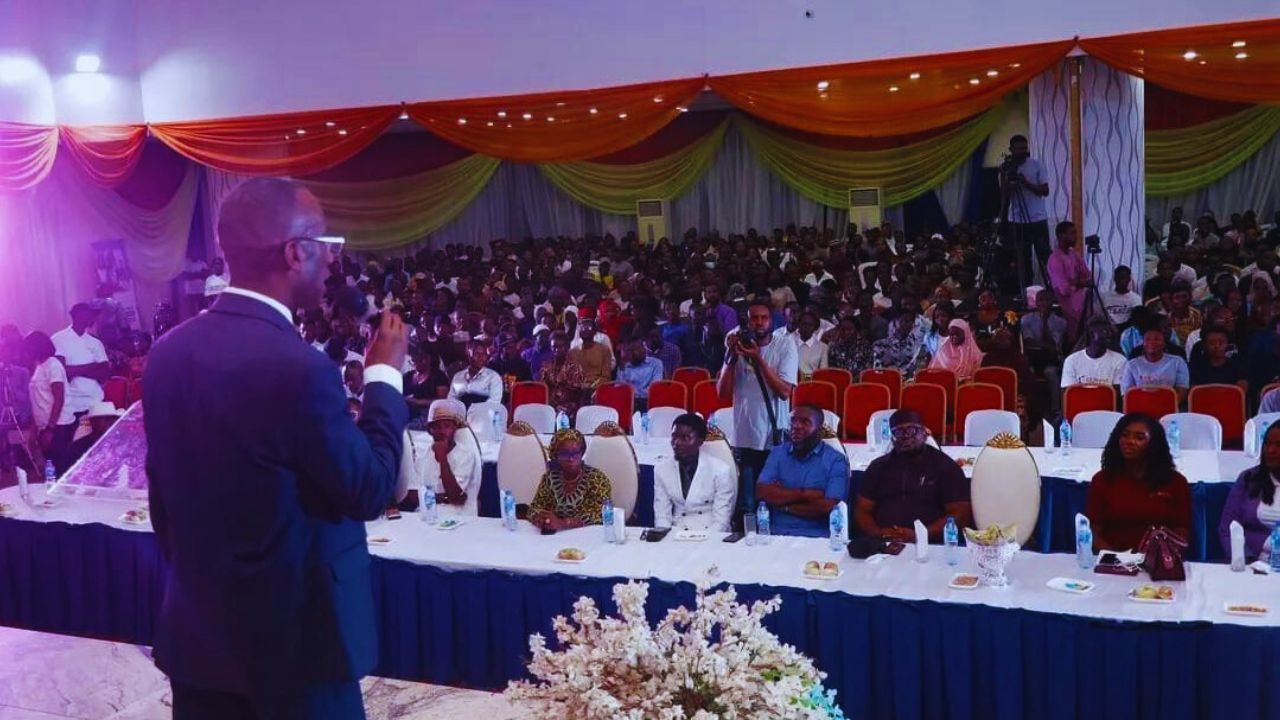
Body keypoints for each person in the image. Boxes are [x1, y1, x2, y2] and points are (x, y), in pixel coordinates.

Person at [142, 177, 409, 719]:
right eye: (327, 247)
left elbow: (163, 505)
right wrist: (384, 376)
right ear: (295, 253)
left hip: (199, 643)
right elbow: (368, 490)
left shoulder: (167, 353)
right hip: (297, 651)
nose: (334, 262)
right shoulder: (299, 367)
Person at [717, 300, 798, 513]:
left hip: (774, 436)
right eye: (754, 318)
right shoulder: (738, 347)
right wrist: (732, 355)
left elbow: (784, 392)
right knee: (748, 506)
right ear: (747, 322)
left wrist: (757, 359)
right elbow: (722, 392)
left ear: (771, 321)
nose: (759, 323)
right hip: (744, 437)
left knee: (773, 504)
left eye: (764, 318)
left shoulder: (784, 345)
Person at [855, 409, 971, 542]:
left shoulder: (946, 467)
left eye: (911, 430)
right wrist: (878, 534)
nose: (906, 436)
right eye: (898, 432)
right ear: (892, 438)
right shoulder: (878, 467)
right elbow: (862, 510)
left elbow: (961, 515)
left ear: (925, 432)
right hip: (883, 544)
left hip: (932, 545)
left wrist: (921, 535)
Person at [1085, 413, 1191, 551]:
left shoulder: (1176, 483)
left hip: (1159, 562)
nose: (1129, 441)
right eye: (1124, 435)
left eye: (1139, 437)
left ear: (1154, 444)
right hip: (1112, 561)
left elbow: (1182, 533)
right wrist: (1117, 559)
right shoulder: (1103, 480)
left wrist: (1156, 558)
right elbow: (1093, 531)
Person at [755, 404, 850, 538]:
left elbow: (829, 507)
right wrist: (806, 494)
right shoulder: (777, 453)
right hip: (775, 533)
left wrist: (784, 505)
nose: (796, 426)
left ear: (819, 429)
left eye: (805, 422)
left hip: (816, 537)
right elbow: (762, 493)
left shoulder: (836, 460)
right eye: (793, 421)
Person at [652, 413, 736, 532]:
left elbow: (721, 521)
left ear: (700, 441)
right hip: (676, 534)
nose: (676, 443)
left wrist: (703, 543)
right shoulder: (661, 470)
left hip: (711, 534)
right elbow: (662, 516)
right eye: (674, 437)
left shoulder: (720, 470)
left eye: (685, 438)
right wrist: (664, 538)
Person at [401, 399, 480, 517]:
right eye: (436, 427)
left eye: (447, 426)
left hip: (459, 518)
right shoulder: (423, 455)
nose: (442, 431)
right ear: (430, 430)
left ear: (454, 429)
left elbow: (456, 498)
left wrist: (443, 458)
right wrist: (440, 497)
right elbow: (413, 493)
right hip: (426, 515)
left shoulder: (466, 454)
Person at [1218, 422, 1280, 562]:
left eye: (1278, 445)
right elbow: (1227, 529)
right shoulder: (1249, 479)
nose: (1270, 450)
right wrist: (1244, 561)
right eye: (1267, 444)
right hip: (1254, 564)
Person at [528, 429, 613, 531]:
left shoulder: (597, 479)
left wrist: (564, 523)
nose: (571, 459)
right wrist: (540, 518)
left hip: (588, 537)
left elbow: (602, 513)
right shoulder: (549, 478)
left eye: (575, 453)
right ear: (556, 456)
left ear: (582, 453)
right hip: (554, 537)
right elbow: (534, 507)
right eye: (564, 454)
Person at [1000, 134, 1051, 288]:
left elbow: (1045, 191)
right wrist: (1008, 180)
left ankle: (1051, 288)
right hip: (1016, 220)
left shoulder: (1036, 165)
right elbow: (1003, 193)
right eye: (1018, 149)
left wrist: (1025, 183)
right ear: (1011, 150)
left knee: (1044, 255)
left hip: (1037, 219)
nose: (1022, 151)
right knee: (1022, 258)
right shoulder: (1006, 167)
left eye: (1024, 148)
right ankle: (1027, 291)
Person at [24, 332, 75, 474]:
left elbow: (59, 399)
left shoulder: (53, 365)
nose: (25, 352)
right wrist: (34, 431)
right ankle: (51, 494)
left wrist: (50, 430)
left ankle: (60, 495)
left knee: (59, 469)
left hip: (58, 427)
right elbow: (37, 401)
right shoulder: (40, 367)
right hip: (45, 426)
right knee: (50, 469)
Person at [50, 303, 110, 421]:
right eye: (89, 313)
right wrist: (93, 366)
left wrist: (74, 370)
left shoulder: (95, 342)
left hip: (95, 401)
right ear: (78, 316)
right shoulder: (58, 339)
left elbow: (105, 373)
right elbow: (62, 373)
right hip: (71, 405)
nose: (93, 317)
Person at [1046, 221, 1092, 343]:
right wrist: (1078, 283)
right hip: (1067, 311)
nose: (1076, 236)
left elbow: (1088, 277)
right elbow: (1064, 289)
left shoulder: (1075, 255)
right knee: (1072, 343)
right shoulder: (1055, 259)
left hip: (1082, 308)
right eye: (1072, 233)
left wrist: (1073, 282)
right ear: (1061, 236)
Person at [1120, 326, 1190, 405]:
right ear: (1143, 343)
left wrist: (1165, 407)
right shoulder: (1131, 365)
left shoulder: (1178, 362)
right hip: (1140, 408)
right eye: (1148, 339)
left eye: (1156, 339)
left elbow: (1182, 391)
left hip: (1168, 407)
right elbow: (1126, 394)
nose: (1152, 342)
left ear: (1164, 343)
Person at [1061, 317, 1128, 388]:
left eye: (1110, 331)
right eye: (1104, 331)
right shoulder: (1072, 360)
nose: (1109, 334)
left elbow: (1117, 392)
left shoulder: (1120, 360)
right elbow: (1069, 391)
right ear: (1092, 334)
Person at [539, 331, 590, 418]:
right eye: (554, 347)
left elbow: (579, 392)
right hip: (551, 405)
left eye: (560, 347)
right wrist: (553, 406)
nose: (557, 350)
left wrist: (571, 406)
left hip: (570, 406)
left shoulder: (574, 367)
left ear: (567, 347)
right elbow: (543, 389)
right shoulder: (546, 366)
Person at [63, 400, 123, 469]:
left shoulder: (119, 444)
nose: (110, 423)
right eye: (106, 419)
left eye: (112, 419)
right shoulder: (78, 448)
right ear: (93, 422)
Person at [1188, 326, 1247, 392]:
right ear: (1205, 345)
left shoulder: (1237, 367)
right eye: (1212, 343)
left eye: (1221, 342)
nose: (1217, 346)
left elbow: (1241, 391)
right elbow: (1193, 393)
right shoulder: (1196, 368)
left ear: (1227, 344)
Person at [447, 340, 503, 406]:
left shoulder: (493, 377)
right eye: (477, 354)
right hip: (459, 414)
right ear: (468, 355)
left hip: (483, 414)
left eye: (484, 354)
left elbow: (494, 403)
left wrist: (472, 412)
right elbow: (451, 400)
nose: (481, 357)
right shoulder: (458, 376)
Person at [616, 339, 665, 410]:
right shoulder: (623, 365)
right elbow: (619, 388)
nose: (642, 350)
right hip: (628, 402)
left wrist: (633, 392)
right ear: (628, 353)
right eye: (635, 349)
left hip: (648, 401)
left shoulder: (656, 363)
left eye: (642, 346)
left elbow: (655, 388)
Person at [403, 347, 448, 421]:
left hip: (429, 414)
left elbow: (442, 401)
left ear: (429, 359)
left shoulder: (439, 376)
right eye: (414, 361)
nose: (417, 363)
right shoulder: (407, 376)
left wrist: (419, 402)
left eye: (420, 360)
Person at [569, 317, 613, 387]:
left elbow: (606, 376)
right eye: (583, 328)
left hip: (598, 387)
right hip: (577, 388)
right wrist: (580, 385)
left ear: (595, 332)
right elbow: (570, 375)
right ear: (579, 332)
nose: (585, 330)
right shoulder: (573, 352)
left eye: (589, 328)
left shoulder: (604, 350)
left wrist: (592, 386)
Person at [794, 311, 829, 380]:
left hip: (810, 385)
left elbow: (823, 374)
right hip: (789, 384)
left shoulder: (823, 347)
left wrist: (802, 378)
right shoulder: (789, 344)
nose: (806, 327)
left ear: (815, 328)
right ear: (798, 325)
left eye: (810, 325)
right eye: (803, 324)